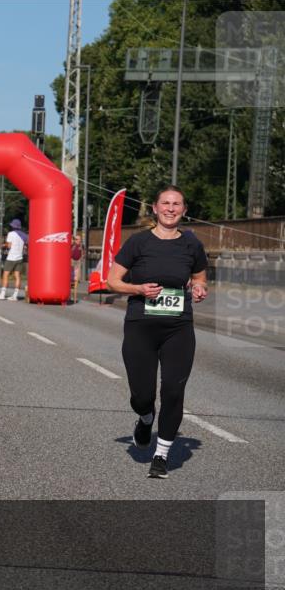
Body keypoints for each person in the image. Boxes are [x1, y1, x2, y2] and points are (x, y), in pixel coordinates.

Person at [107, 186, 207, 480]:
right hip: (141, 326)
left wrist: (200, 287)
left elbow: (200, 276)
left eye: (177, 204)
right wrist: (137, 288)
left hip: (178, 327)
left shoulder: (192, 244)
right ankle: (145, 417)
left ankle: (161, 455)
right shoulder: (138, 243)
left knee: (174, 391)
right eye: (165, 203)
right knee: (142, 395)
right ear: (155, 208)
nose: (171, 208)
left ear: (184, 210)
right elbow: (112, 280)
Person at [0, 218, 27, 301]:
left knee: (5, 275)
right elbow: (26, 245)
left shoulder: (11, 234)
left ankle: (2, 294)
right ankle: (15, 296)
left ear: (13, 226)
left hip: (11, 257)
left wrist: (4, 245)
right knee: (17, 276)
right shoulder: (24, 235)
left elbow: (9, 246)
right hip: (20, 257)